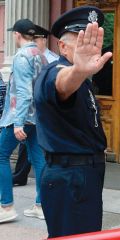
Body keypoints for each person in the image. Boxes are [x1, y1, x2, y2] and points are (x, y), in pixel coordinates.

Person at [34, 6, 112, 238]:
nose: (89, 49)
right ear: (63, 46)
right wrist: (79, 70)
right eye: (80, 42)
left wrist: (80, 72)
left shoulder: (83, 80)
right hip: (70, 175)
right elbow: (61, 84)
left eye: (92, 42)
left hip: (83, 174)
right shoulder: (56, 71)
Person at [0, 18, 47, 223]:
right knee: (39, 160)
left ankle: (6, 206)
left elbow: (23, 92)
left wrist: (18, 122)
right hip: (36, 117)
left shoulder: (21, 56)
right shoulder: (40, 55)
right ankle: (42, 205)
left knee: (0, 155)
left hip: (19, 117)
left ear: (17, 35)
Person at [12, 24, 59, 187]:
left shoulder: (50, 59)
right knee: (31, 153)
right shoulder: (40, 57)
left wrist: (19, 121)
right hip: (35, 113)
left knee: (36, 153)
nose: (35, 40)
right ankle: (21, 177)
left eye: (38, 37)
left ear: (43, 39)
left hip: (35, 112)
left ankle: (9, 203)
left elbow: (47, 88)